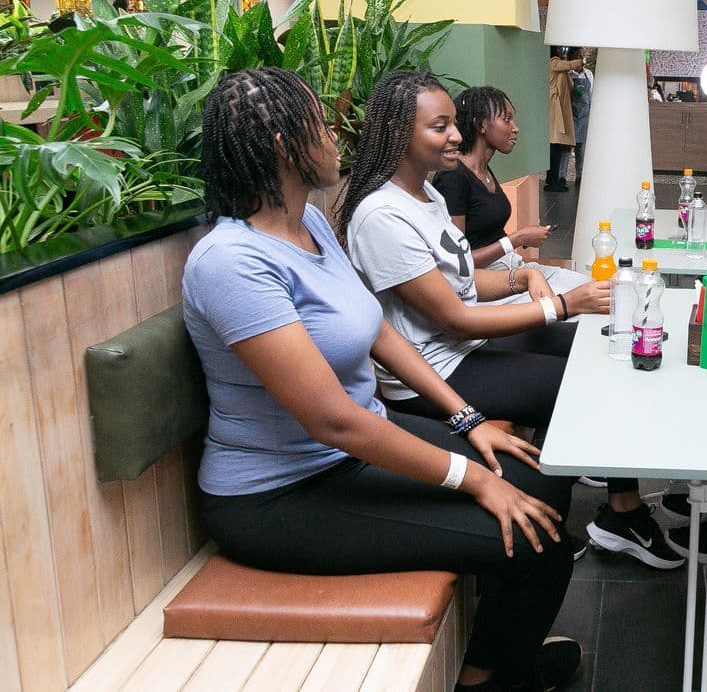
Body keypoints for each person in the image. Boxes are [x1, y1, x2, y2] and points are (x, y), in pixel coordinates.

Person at [183, 68, 580, 692]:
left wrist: (466, 420)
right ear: (287, 146)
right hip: (279, 495)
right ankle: (493, 680)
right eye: (322, 123)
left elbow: (380, 334)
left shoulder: (310, 224)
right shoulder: (231, 263)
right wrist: (471, 477)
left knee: (542, 489)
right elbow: (331, 420)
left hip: (356, 446)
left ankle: (491, 664)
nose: (339, 135)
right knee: (538, 540)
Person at [340, 71, 684, 571]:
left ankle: (619, 508)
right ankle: (600, 518)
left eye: (454, 124)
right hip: (433, 373)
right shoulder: (380, 218)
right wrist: (562, 305)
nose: (456, 135)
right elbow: (455, 318)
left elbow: (462, 284)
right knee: (582, 385)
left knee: (591, 345)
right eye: (440, 127)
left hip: (462, 350)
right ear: (397, 134)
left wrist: (522, 278)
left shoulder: (427, 195)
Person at [434, 86, 589, 304]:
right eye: (506, 120)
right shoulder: (454, 177)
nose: (515, 128)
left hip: (513, 266)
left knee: (594, 287)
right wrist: (517, 239)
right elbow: (458, 263)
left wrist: (517, 241)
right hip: (485, 283)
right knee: (583, 302)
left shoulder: (484, 170)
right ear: (481, 124)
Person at [547, 46, 581, 192]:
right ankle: (553, 180)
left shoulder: (559, 66)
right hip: (556, 108)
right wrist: (579, 62)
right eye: (560, 49)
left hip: (559, 107)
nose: (563, 52)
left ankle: (553, 179)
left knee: (557, 145)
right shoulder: (553, 62)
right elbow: (559, 66)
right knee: (555, 144)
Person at [569, 57, 593, 183]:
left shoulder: (588, 74)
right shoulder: (569, 74)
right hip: (571, 114)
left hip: (585, 116)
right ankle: (562, 176)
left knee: (581, 148)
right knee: (567, 148)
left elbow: (592, 93)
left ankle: (580, 175)